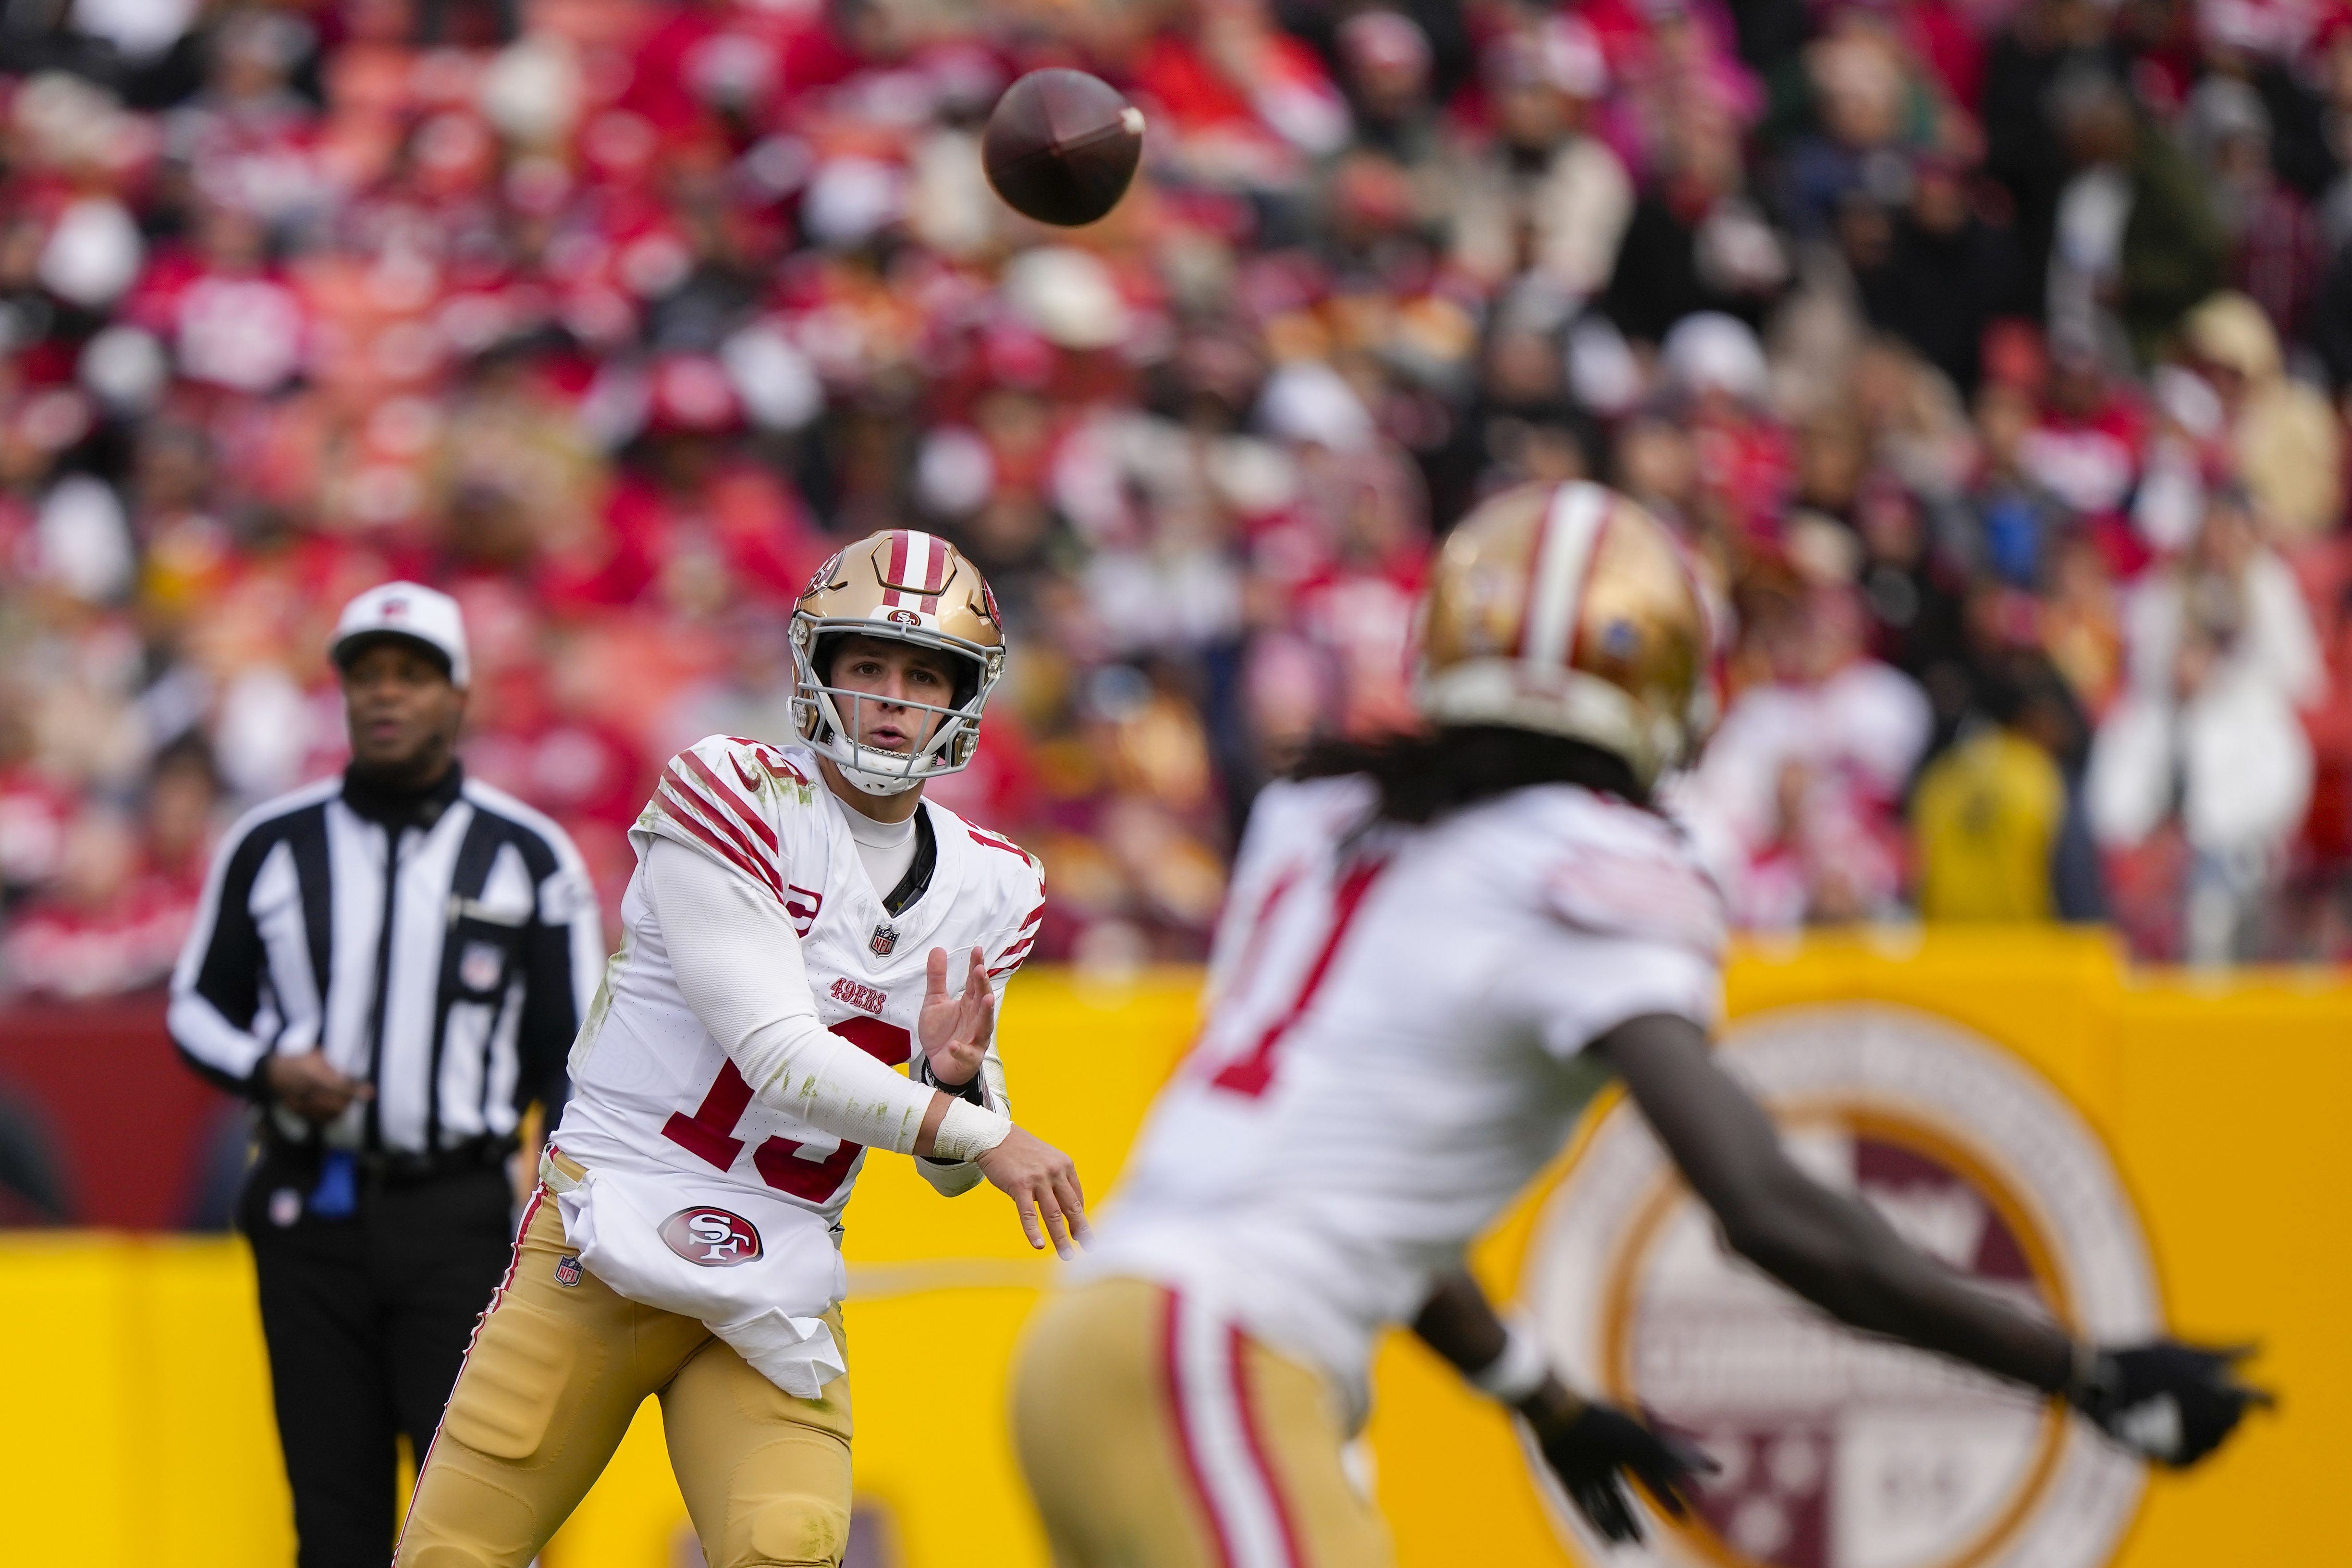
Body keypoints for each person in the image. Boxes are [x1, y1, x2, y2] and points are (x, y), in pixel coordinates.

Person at [1011, 481, 2267, 1566]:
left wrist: (1539, 1395)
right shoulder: (1590, 864)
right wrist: (2080, 1371)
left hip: (1096, 1353)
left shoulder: (1325, 817)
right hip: (1214, 1359)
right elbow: (1767, 1210)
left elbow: (1356, 1181)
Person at [396, 530, 1085, 1567]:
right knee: (455, 1556)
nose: (895, 698)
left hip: (776, 1270)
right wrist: (975, 1126)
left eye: (922, 673)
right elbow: (779, 1054)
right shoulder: (733, 791)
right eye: (868, 667)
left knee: (788, 1547)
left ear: (966, 694)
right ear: (818, 673)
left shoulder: (996, 884)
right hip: (607, 1229)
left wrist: (947, 1083)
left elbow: (946, 1174)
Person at [170, 582, 602, 1568]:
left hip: (459, 1212)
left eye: (412, 675)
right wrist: (267, 1068)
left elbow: (572, 1063)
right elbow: (197, 1005)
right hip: (306, 1210)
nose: (386, 695)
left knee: (477, 1514)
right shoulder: (273, 845)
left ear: (459, 696)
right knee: (332, 1514)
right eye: (366, 675)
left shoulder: (527, 856)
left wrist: (560, 1222)